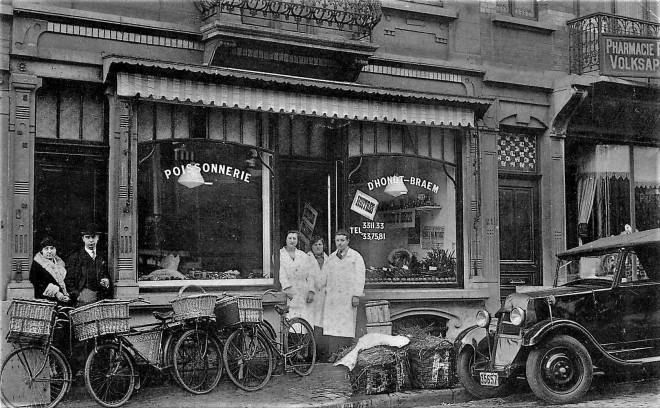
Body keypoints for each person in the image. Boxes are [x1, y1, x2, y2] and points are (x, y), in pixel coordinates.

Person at [320, 229, 365, 359]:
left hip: (348, 297)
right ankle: (334, 353)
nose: (339, 243)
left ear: (348, 241)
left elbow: (360, 277)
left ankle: (345, 354)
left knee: (346, 326)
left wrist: (356, 295)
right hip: (333, 298)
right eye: (337, 240)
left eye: (342, 240)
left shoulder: (355, 257)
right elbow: (324, 277)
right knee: (333, 326)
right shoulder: (331, 258)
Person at [65, 223, 112, 306]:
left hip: (100, 299)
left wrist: (106, 281)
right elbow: (69, 280)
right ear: (83, 238)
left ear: (98, 238)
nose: (91, 240)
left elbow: (105, 274)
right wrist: (78, 296)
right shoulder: (75, 257)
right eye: (87, 237)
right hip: (82, 300)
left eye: (93, 237)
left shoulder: (102, 257)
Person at [279, 230, 316, 325]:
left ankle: (303, 339)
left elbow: (310, 275)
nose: (292, 241)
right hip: (289, 292)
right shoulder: (279, 254)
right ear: (286, 239)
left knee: (303, 321)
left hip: (303, 291)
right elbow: (281, 273)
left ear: (297, 241)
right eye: (289, 238)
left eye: (294, 238)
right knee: (290, 320)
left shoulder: (303, 255)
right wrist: (287, 289)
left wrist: (311, 291)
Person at [29, 236, 73, 306]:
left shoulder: (60, 264)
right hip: (46, 301)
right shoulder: (37, 265)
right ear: (41, 251)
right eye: (46, 249)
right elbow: (38, 284)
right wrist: (57, 293)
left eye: (52, 248)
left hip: (63, 299)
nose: (49, 251)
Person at [307, 235, 328, 328]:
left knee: (322, 320)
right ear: (311, 246)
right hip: (311, 294)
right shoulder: (306, 258)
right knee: (311, 320)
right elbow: (307, 276)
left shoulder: (329, 259)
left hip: (324, 294)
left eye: (320, 244)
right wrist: (311, 290)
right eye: (315, 244)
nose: (318, 247)